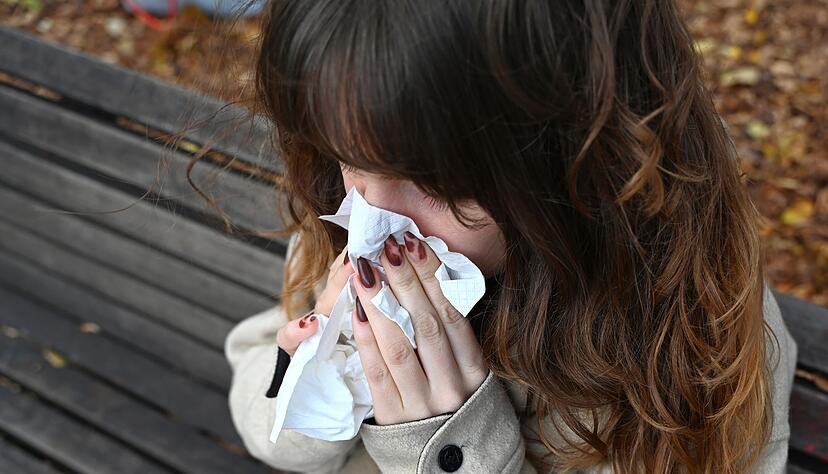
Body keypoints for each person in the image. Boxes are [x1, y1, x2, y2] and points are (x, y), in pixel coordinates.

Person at [223, 1, 798, 472]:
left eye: (438, 185)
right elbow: (265, 417)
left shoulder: (692, 335)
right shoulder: (351, 222)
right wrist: (322, 375)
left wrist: (456, 449)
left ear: (581, 165)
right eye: (343, 159)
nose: (371, 217)